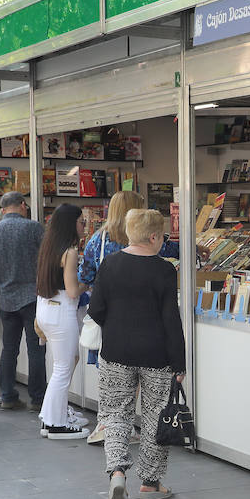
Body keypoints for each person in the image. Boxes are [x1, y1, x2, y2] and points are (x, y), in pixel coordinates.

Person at [89, 208, 186, 499]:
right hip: (157, 354)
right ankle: (150, 484)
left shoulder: (110, 264)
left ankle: (117, 472)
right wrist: (179, 363)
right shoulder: (165, 270)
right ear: (154, 236)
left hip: (116, 351)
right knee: (157, 417)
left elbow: (96, 310)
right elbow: (171, 319)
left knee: (115, 413)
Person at [78, 190, 182, 444]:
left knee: (113, 376)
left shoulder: (98, 239)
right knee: (141, 383)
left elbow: (86, 274)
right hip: (146, 325)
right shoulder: (147, 239)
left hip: (110, 319)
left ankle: (109, 426)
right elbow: (174, 253)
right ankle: (128, 432)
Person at [0, 191, 47, 412]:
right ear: (23, 205)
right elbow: (46, 259)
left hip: (6, 297)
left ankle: (8, 395)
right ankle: (38, 398)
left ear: (2, 209)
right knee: (36, 349)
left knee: (9, 349)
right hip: (32, 296)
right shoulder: (34, 228)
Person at [36, 203, 89, 440]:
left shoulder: (49, 248)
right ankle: (55, 423)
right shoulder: (70, 252)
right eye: (81, 221)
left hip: (46, 310)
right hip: (61, 313)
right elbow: (72, 291)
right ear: (71, 224)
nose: (84, 226)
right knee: (63, 370)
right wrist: (88, 281)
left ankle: (50, 418)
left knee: (60, 368)